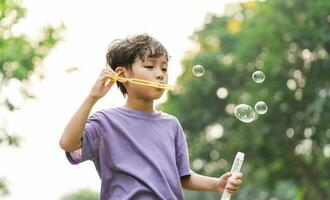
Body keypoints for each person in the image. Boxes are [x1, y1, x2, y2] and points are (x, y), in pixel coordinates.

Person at [59, 33, 243, 200]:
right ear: (122, 75)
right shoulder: (105, 123)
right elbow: (68, 143)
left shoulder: (171, 125)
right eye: (150, 66)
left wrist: (216, 184)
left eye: (164, 69)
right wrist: (92, 98)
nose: (160, 75)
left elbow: (182, 176)